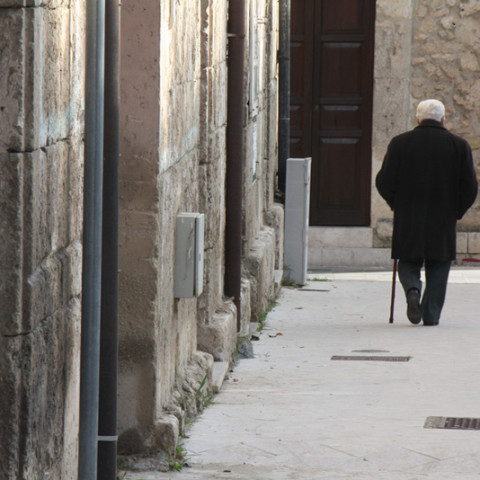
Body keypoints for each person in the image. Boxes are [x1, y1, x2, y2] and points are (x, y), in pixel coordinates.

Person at [376, 99, 478, 326]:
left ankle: (413, 289)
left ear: (418, 119)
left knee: (408, 260)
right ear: (443, 119)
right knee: (439, 263)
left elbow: (384, 181)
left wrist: (396, 203)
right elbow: (470, 187)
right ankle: (431, 315)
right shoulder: (459, 146)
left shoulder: (400, 143)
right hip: (443, 217)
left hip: (408, 215)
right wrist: (457, 210)